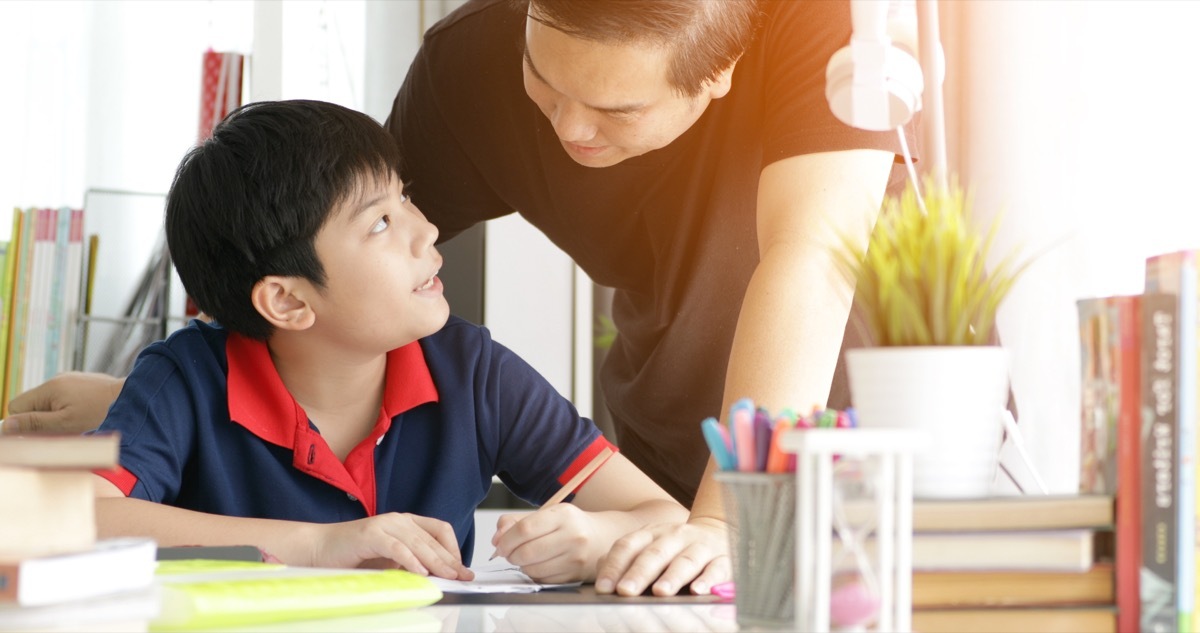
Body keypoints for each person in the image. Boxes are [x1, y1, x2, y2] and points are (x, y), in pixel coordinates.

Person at [6, 0, 912, 596]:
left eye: (614, 113)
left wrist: (725, 519)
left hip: (832, 454)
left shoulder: (832, 35)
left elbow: (807, 257)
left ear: (717, 78)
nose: (564, 130)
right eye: (543, 83)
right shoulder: (466, 73)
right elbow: (303, 252)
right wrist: (152, 397)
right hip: (674, 451)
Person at [87, 99, 688, 583]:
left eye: (404, 197)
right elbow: (69, 518)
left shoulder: (472, 371)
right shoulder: (184, 377)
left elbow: (665, 515)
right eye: (380, 222)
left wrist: (602, 539)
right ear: (289, 301)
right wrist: (319, 546)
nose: (426, 229)